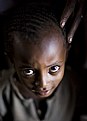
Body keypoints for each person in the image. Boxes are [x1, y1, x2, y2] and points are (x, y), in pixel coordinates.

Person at [0, 1, 78, 121]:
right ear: (12, 60)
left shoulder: (76, 85)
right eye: (29, 71)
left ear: (66, 55)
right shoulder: (3, 92)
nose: (43, 84)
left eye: (54, 68)